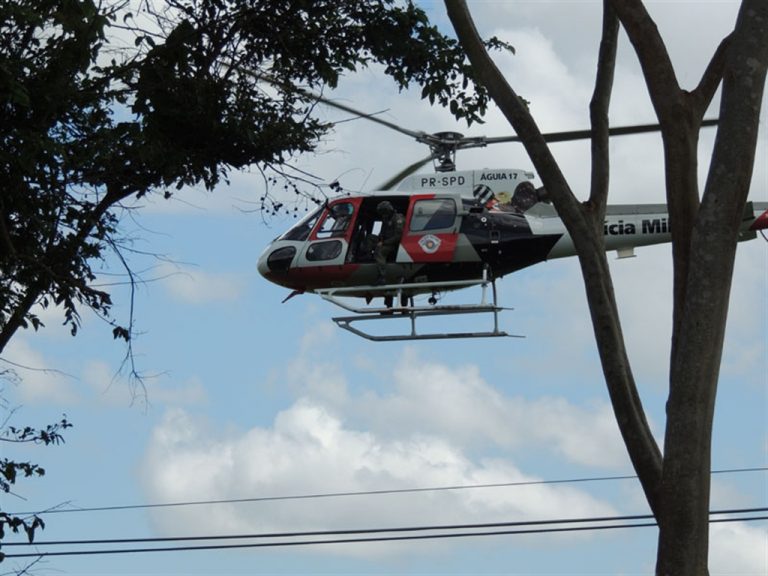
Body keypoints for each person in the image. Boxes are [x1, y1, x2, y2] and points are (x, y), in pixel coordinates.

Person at [373, 200, 404, 285]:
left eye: (384, 212)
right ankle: (366, 256)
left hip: (393, 244)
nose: (383, 215)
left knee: (379, 252)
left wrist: (384, 243)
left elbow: (398, 236)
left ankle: (382, 276)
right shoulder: (386, 219)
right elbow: (383, 232)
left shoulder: (398, 218)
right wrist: (380, 239)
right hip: (385, 241)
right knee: (370, 238)